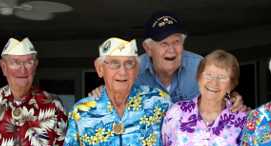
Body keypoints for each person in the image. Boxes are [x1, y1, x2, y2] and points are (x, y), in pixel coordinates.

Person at [89, 11, 245, 110]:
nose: (171, 49)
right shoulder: (133, 68)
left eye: (176, 42)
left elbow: (219, 89)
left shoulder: (199, 65)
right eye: (164, 43)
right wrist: (103, 92)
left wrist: (231, 97)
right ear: (148, 48)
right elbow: (116, 88)